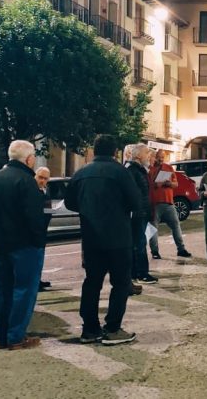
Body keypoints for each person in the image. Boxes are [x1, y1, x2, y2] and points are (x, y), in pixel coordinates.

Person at [66, 134, 141, 345]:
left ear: (94, 150)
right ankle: (112, 329)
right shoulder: (121, 173)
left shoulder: (81, 172)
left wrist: (88, 208)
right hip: (118, 237)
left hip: (91, 238)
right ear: (115, 152)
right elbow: (136, 202)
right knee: (120, 283)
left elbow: (70, 202)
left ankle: (90, 329)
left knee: (92, 283)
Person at [0, 140, 47, 350]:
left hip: (0, 244)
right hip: (25, 244)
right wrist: (39, 240)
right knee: (24, 290)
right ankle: (16, 336)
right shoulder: (27, 181)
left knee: (3, 291)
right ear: (28, 159)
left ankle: (1, 336)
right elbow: (34, 217)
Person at [124, 144, 158, 284]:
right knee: (139, 243)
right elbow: (133, 194)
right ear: (138, 155)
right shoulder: (132, 170)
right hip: (137, 213)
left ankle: (136, 273)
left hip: (142, 212)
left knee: (139, 242)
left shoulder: (140, 170)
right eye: (146, 153)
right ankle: (141, 274)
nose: (149, 156)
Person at [147, 152, 191, 259]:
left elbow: (176, 184)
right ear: (154, 157)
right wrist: (156, 184)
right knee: (153, 228)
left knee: (176, 225)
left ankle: (181, 249)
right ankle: (155, 252)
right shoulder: (149, 169)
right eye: (158, 157)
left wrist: (169, 183)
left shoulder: (168, 168)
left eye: (162, 157)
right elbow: (146, 185)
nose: (161, 159)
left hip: (168, 203)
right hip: (154, 203)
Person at [34, 166, 53, 292]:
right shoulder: (32, 191)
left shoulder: (45, 190)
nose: (42, 181)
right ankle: (35, 281)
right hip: (35, 229)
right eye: (40, 177)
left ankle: (37, 279)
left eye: (45, 179)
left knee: (39, 257)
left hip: (43, 229)